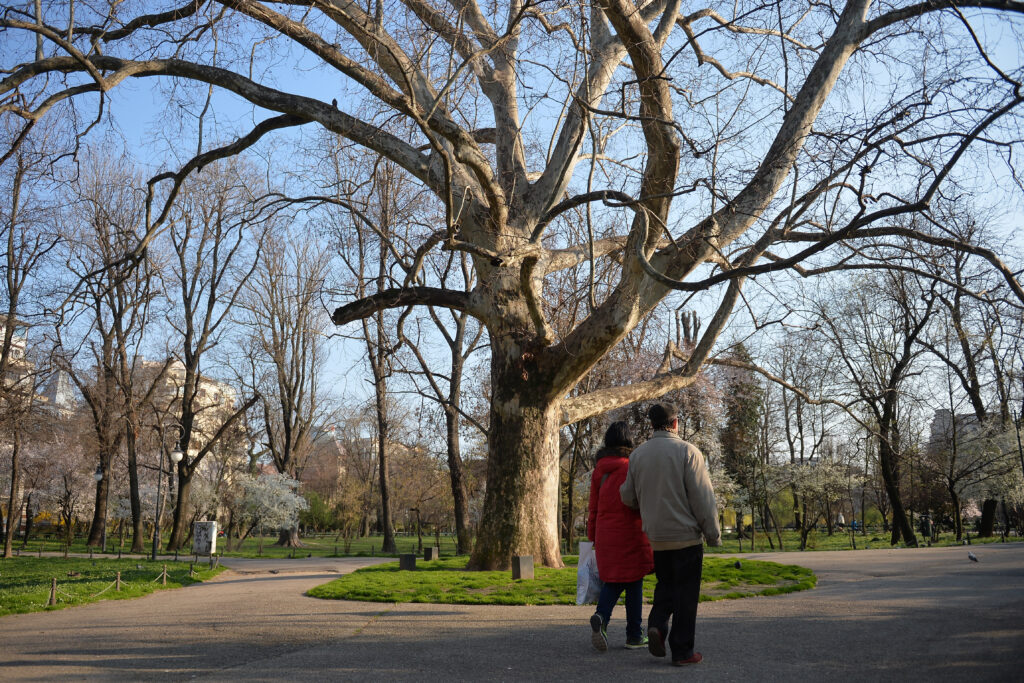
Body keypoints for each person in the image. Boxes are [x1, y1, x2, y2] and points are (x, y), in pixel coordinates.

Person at [620, 402, 721, 666]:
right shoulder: (688, 452)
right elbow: (703, 499)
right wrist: (713, 534)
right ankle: (682, 651)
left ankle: (657, 626)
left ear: (651, 425)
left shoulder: (638, 455)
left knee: (665, 587)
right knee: (686, 596)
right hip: (686, 536)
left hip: (657, 537)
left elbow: (628, 497)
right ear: (675, 423)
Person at [586, 421, 654, 652]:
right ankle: (624, 628)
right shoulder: (631, 466)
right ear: (628, 440)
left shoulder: (599, 470)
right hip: (631, 531)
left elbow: (593, 507)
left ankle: (615, 624)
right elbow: (640, 500)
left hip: (605, 534)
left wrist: (592, 535)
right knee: (631, 580)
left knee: (619, 579)